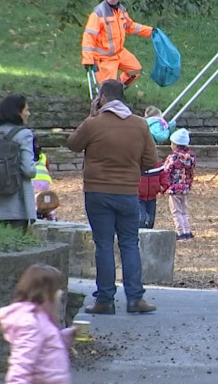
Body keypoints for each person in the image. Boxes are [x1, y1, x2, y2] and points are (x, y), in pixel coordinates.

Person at [66, 79, 159, 314]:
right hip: (128, 193)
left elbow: (73, 145)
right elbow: (150, 162)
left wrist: (91, 115)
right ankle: (135, 298)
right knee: (129, 244)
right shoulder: (140, 125)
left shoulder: (93, 124)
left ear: (102, 97)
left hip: (97, 192)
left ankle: (105, 300)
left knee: (104, 245)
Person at [0, 264, 74, 384]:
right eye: (57, 289)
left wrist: (65, 337)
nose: (60, 293)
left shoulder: (41, 317)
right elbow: (21, 365)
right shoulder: (31, 323)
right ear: (45, 293)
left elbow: (45, 346)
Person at [0, 94, 36, 228]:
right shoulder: (24, 134)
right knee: (18, 240)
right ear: (18, 112)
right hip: (17, 201)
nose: (29, 113)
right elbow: (28, 170)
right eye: (26, 110)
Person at [80, 0, 154, 87]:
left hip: (119, 52)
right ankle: (109, 97)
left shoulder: (121, 10)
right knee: (108, 87)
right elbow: (89, 36)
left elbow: (130, 26)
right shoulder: (98, 13)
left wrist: (151, 32)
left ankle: (117, 91)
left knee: (135, 71)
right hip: (104, 58)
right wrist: (87, 59)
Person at [164, 128, 196, 241]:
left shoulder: (173, 158)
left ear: (175, 144)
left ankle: (180, 232)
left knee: (176, 211)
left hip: (174, 188)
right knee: (184, 211)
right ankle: (187, 231)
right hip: (185, 188)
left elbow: (166, 171)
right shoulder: (191, 157)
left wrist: (164, 185)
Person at [32, 136, 57, 221]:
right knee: (45, 198)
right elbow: (47, 169)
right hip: (44, 181)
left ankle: (36, 214)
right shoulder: (43, 156)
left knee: (34, 200)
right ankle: (51, 214)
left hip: (32, 180)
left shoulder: (26, 156)